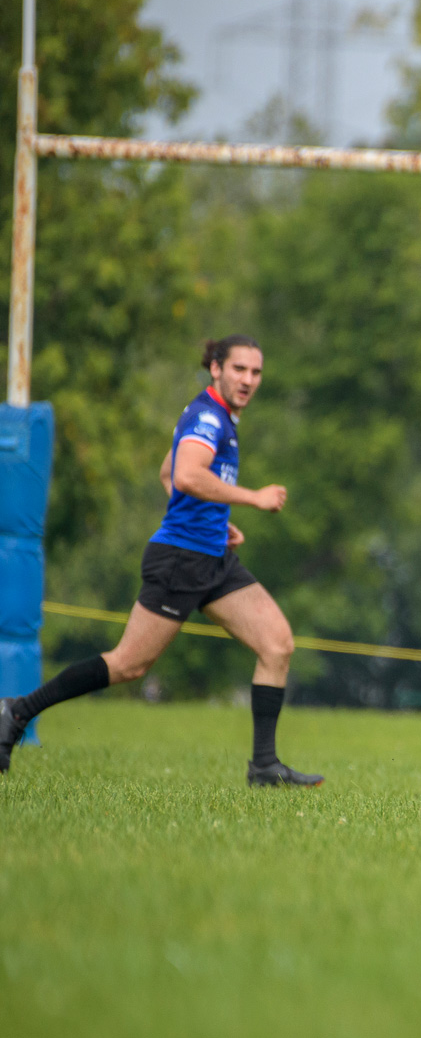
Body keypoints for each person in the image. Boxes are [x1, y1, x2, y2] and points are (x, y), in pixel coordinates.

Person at [0, 336, 321, 786]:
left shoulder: (219, 417)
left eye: (256, 372)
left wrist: (214, 522)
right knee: (129, 664)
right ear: (216, 369)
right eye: (239, 370)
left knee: (277, 644)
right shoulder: (209, 416)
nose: (248, 380)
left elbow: (168, 472)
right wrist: (252, 498)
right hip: (180, 562)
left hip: (212, 556)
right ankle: (17, 712)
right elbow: (188, 475)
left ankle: (265, 767)